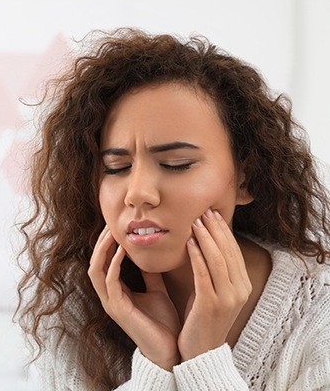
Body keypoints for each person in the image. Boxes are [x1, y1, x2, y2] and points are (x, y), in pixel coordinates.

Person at [16, 28, 330, 390]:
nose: (137, 193)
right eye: (116, 168)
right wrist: (156, 363)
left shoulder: (318, 317)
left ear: (246, 180)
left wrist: (203, 360)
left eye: (177, 163)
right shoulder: (72, 310)